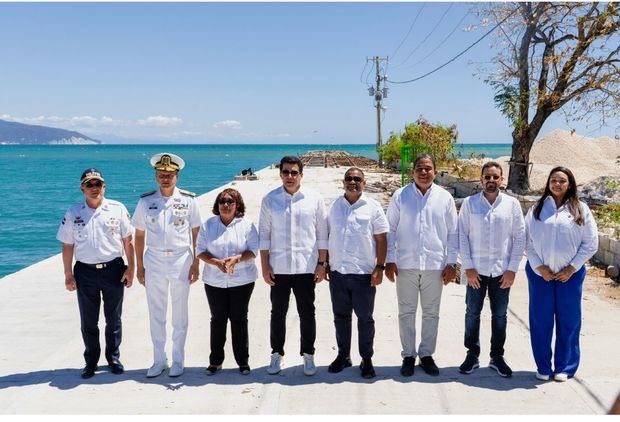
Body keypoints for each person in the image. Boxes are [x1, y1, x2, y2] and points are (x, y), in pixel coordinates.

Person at [56, 168, 135, 379]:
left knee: (114, 318)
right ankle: (91, 361)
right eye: (89, 185)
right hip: (85, 272)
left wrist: (131, 268)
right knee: (88, 321)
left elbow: (128, 241)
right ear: (82, 188)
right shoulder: (74, 213)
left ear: (104, 187)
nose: (94, 188)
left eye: (97, 184)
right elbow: (67, 245)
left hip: (113, 270)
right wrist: (68, 274)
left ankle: (113, 358)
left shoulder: (117, 209)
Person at [385, 154, 458, 377]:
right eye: (419, 168)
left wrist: (452, 263)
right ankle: (408, 355)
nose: (423, 172)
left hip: (435, 265)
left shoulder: (444, 198)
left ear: (435, 172)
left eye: (428, 169)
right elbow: (390, 228)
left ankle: (426, 355)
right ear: (413, 171)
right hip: (405, 264)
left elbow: (453, 233)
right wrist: (389, 259)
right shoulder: (401, 195)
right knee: (406, 312)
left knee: (431, 313)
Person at [525, 166, 598, 382]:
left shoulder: (581, 209)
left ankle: (565, 367)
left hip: (570, 275)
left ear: (570, 184)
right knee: (541, 320)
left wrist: (572, 267)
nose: (557, 184)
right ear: (548, 183)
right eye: (553, 180)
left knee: (569, 321)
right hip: (540, 275)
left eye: (562, 181)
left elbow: (591, 243)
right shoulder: (537, 208)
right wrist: (539, 267)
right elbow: (527, 241)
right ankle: (543, 367)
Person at [132, 153, 201, 378]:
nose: (165, 179)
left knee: (180, 313)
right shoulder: (146, 201)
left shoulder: (189, 200)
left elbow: (196, 234)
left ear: (177, 176)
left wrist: (196, 263)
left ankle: (178, 360)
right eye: (162, 175)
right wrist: (140, 266)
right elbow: (139, 235)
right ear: (155, 176)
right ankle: (159, 360)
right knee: (156, 312)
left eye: (170, 175)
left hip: (181, 259)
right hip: (154, 259)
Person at [259, 155, 328, 376]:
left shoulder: (314, 199)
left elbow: (322, 234)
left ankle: (308, 355)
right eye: (286, 172)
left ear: (301, 175)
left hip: (306, 267)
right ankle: (276, 354)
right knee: (278, 313)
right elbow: (264, 236)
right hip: (278, 267)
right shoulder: (270, 200)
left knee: (307, 312)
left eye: (294, 172)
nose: (289, 176)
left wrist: (322, 264)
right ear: (280, 174)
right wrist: (265, 266)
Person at [457, 161, 525, 377]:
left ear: (501, 180)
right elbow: (462, 236)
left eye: (496, 177)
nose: (491, 180)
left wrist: (512, 269)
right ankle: (472, 354)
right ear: (481, 179)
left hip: (502, 272)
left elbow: (520, 237)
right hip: (476, 271)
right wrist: (468, 267)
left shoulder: (512, 205)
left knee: (500, 316)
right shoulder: (470, 204)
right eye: (488, 177)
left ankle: (497, 357)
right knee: (472, 313)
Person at [326, 167, 388, 379]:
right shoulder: (334, 206)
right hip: (338, 273)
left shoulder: (373, 207)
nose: (353, 182)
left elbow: (381, 239)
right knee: (340, 317)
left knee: (365, 318)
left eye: (357, 179)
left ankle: (366, 358)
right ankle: (343, 356)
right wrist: (324, 263)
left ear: (364, 182)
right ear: (343, 182)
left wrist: (380, 268)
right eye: (349, 179)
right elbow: (327, 236)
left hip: (364, 274)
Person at [196, 188, 259, 376]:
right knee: (218, 320)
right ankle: (215, 361)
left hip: (243, 280)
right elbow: (199, 250)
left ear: (237, 205)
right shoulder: (208, 225)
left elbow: (254, 250)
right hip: (214, 281)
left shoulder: (247, 225)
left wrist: (236, 259)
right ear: (217, 205)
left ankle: (243, 361)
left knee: (239, 320)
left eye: (230, 201)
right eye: (222, 201)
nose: (226, 204)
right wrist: (215, 262)